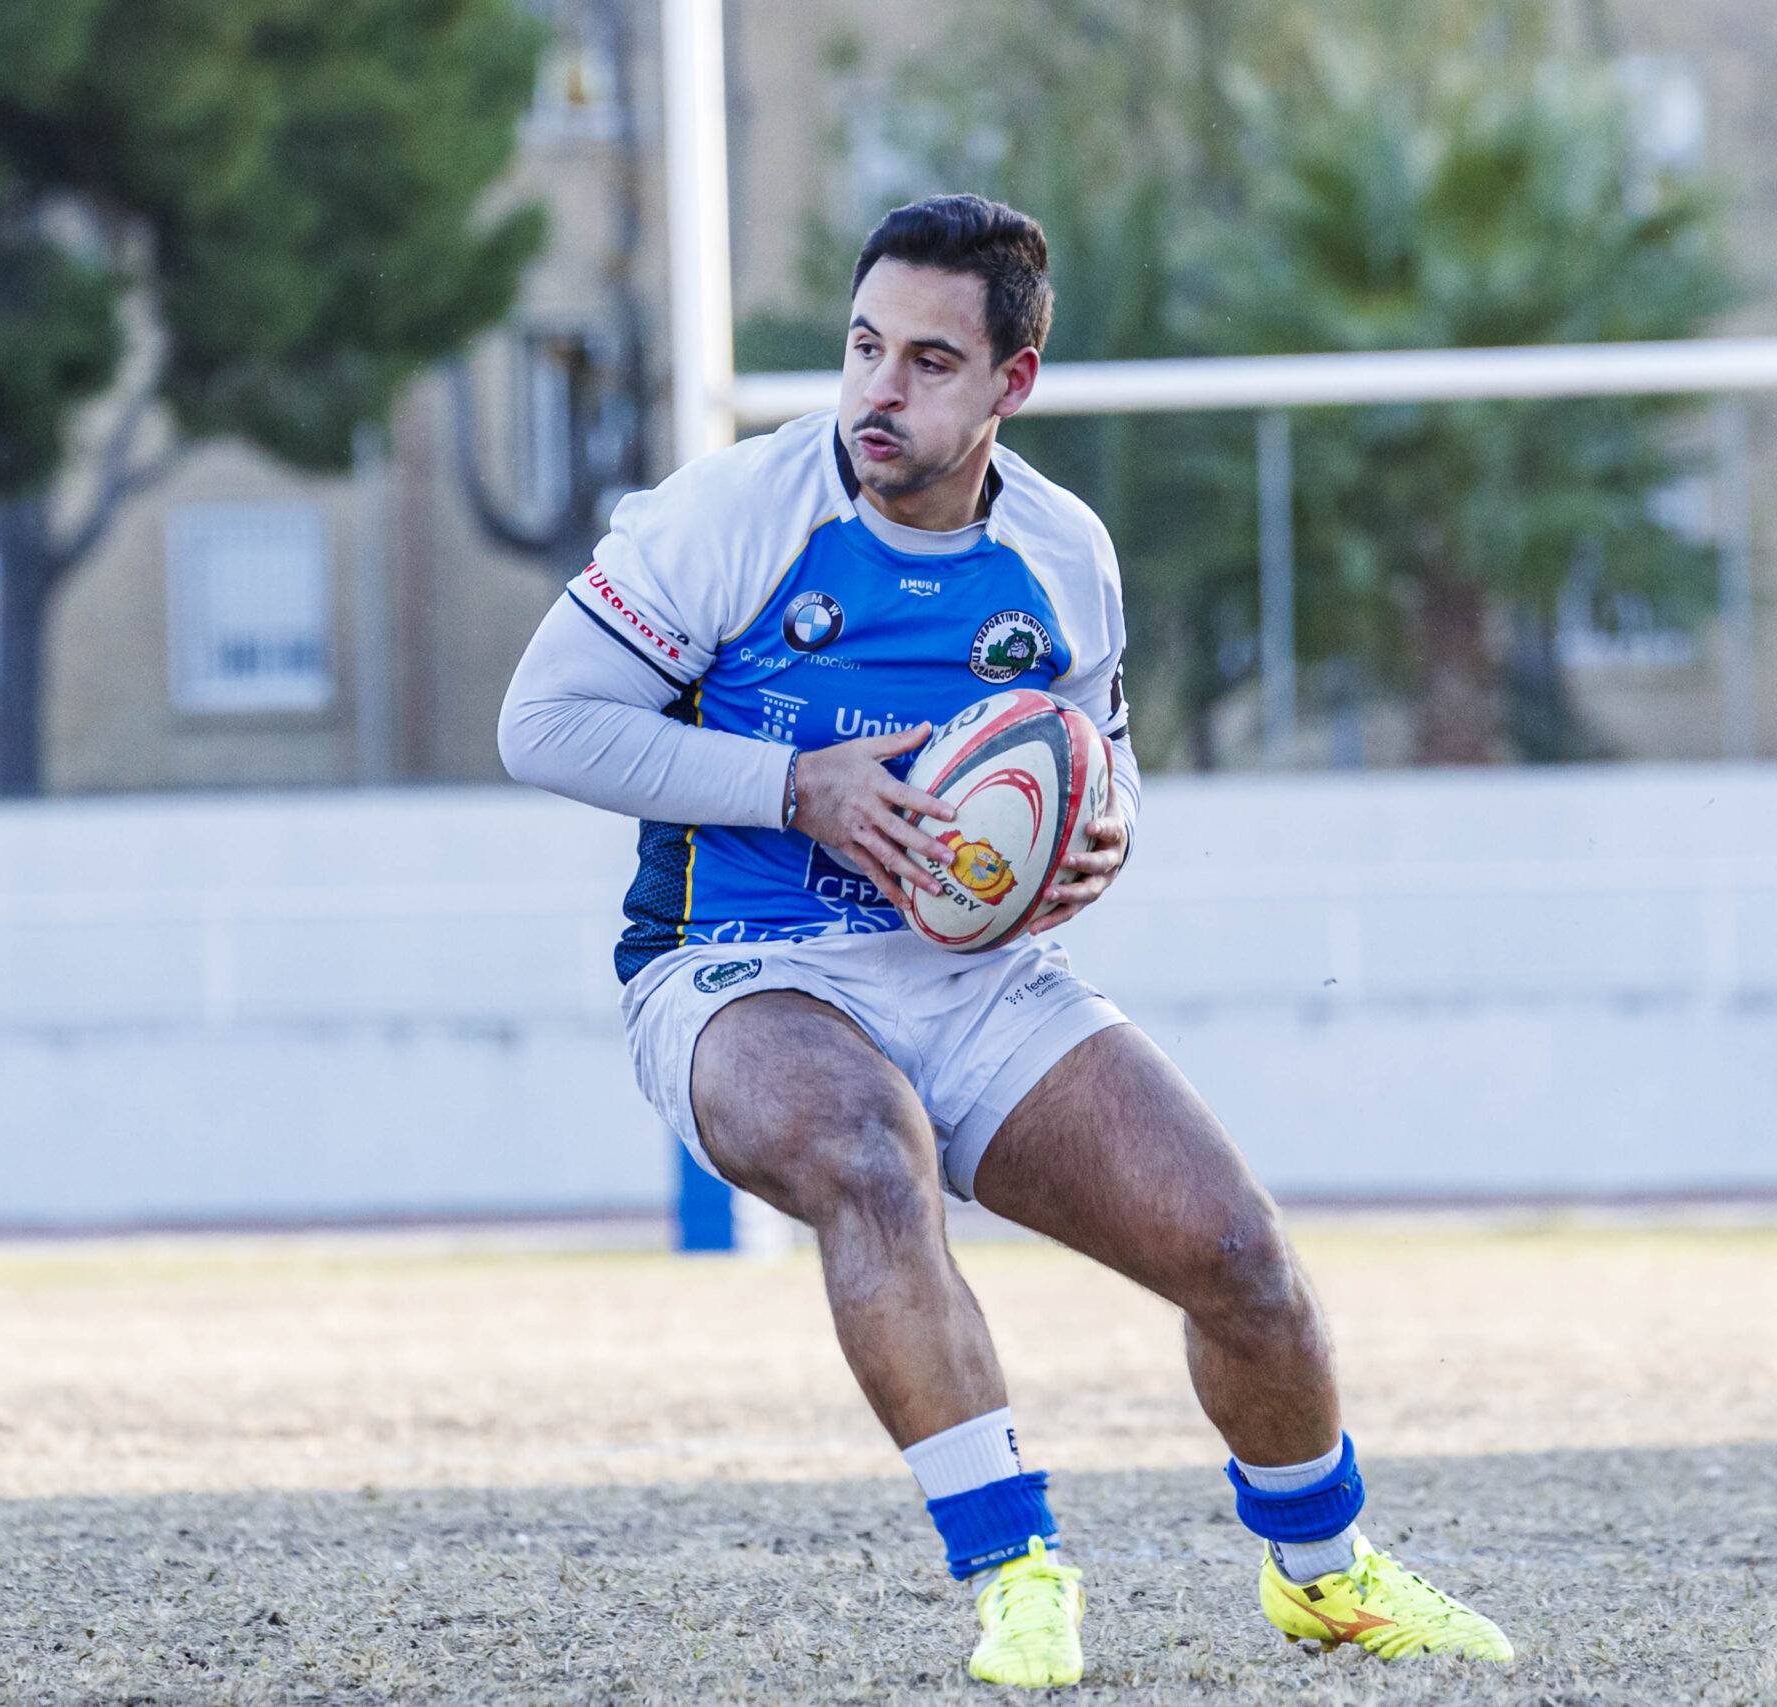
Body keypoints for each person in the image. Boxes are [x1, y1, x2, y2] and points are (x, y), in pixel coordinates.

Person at [497, 194, 1512, 1688]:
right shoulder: (728, 515)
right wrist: (799, 789)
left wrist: (1107, 834)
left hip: (975, 975)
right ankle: (1016, 1568)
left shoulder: (1061, 553)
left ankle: (1325, 1574)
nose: (875, 395)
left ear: (1009, 385)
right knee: (862, 1148)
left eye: (924, 362)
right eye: (860, 350)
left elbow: (1096, 754)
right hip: (738, 966)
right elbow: (541, 726)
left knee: (1238, 1256)